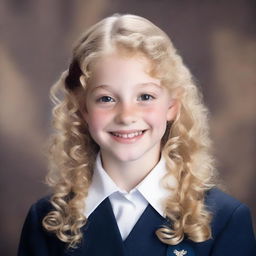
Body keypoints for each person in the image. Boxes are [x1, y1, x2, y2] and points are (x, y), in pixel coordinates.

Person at [18, 13, 256, 256]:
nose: (126, 115)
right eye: (106, 99)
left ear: (172, 106)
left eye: (145, 97)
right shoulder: (46, 220)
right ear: (83, 110)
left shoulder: (225, 219)